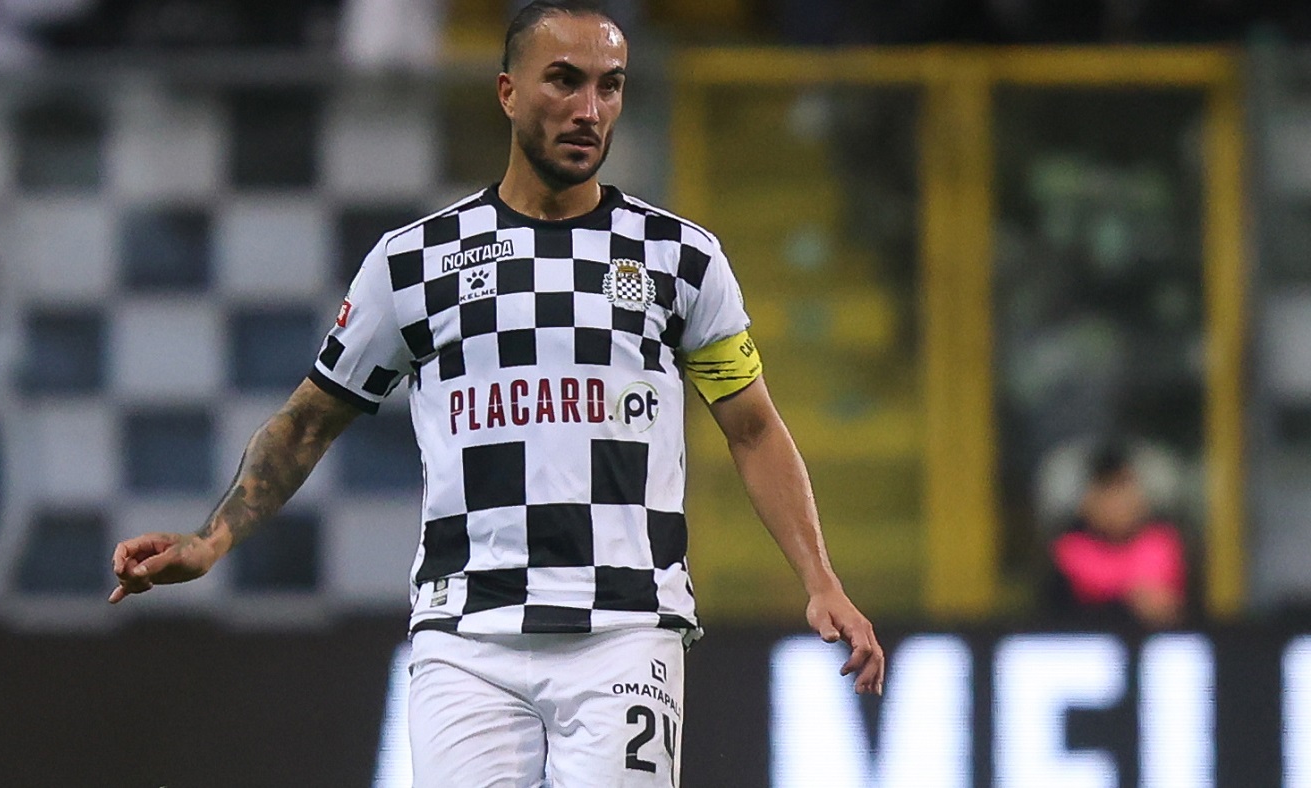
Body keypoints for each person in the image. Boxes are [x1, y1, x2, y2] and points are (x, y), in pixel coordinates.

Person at [109, 1, 884, 784]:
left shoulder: (679, 260)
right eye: (564, 81)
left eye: (610, 86)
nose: (589, 110)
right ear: (508, 92)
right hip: (465, 637)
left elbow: (753, 429)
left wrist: (821, 580)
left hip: (625, 628)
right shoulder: (414, 264)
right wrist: (210, 541)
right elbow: (308, 423)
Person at [1046, 441, 1188, 629]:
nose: (1118, 505)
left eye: (1124, 490)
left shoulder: (1164, 543)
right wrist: (1127, 602)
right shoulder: (1066, 550)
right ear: (1087, 501)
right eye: (1108, 492)